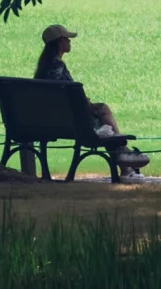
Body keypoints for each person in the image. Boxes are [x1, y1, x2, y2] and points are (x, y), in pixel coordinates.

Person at [34, 24, 150, 182]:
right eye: (67, 38)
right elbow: (73, 96)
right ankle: (125, 160)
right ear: (60, 42)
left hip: (48, 122)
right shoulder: (58, 67)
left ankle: (125, 163)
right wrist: (89, 106)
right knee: (103, 112)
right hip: (73, 123)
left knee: (102, 113)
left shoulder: (43, 69)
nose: (70, 41)